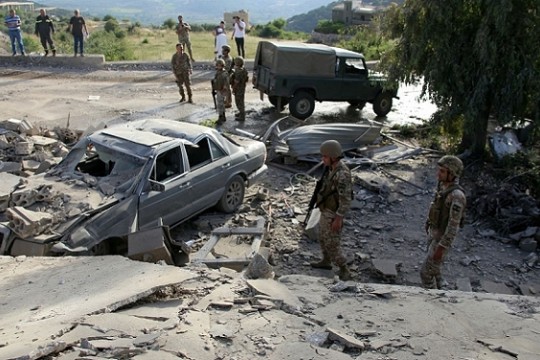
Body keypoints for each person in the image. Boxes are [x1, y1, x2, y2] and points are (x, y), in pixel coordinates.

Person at [421, 155, 467, 289]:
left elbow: (453, 227)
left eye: (442, 171)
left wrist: (441, 248)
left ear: (452, 174)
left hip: (441, 239)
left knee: (425, 274)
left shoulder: (457, 196)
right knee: (434, 268)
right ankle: (443, 290)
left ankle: (431, 299)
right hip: (434, 233)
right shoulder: (443, 187)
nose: (438, 174)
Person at [310, 140, 352, 281]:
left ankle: (344, 268)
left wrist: (338, 218)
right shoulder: (331, 169)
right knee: (322, 237)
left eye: (325, 157)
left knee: (332, 243)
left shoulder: (342, 174)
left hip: (333, 213)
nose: (323, 159)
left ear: (333, 157)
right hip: (326, 209)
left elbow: (346, 198)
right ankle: (326, 261)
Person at [230, 57, 249, 121]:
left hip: (238, 88)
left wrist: (234, 89)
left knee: (239, 102)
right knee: (241, 101)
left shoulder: (238, 71)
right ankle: (241, 113)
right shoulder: (243, 70)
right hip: (242, 87)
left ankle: (242, 116)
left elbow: (236, 82)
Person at [212, 58, 229, 123]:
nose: (218, 66)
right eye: (217, 65)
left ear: (222, 65)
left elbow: (226, 83)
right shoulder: (218, 72)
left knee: (220, 104)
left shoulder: (224, 73)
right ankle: (222, 116)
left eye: (219, 65)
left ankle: (221, 116)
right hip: (219, 89)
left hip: (222, 90)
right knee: (220, 104)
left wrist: (223, 90)